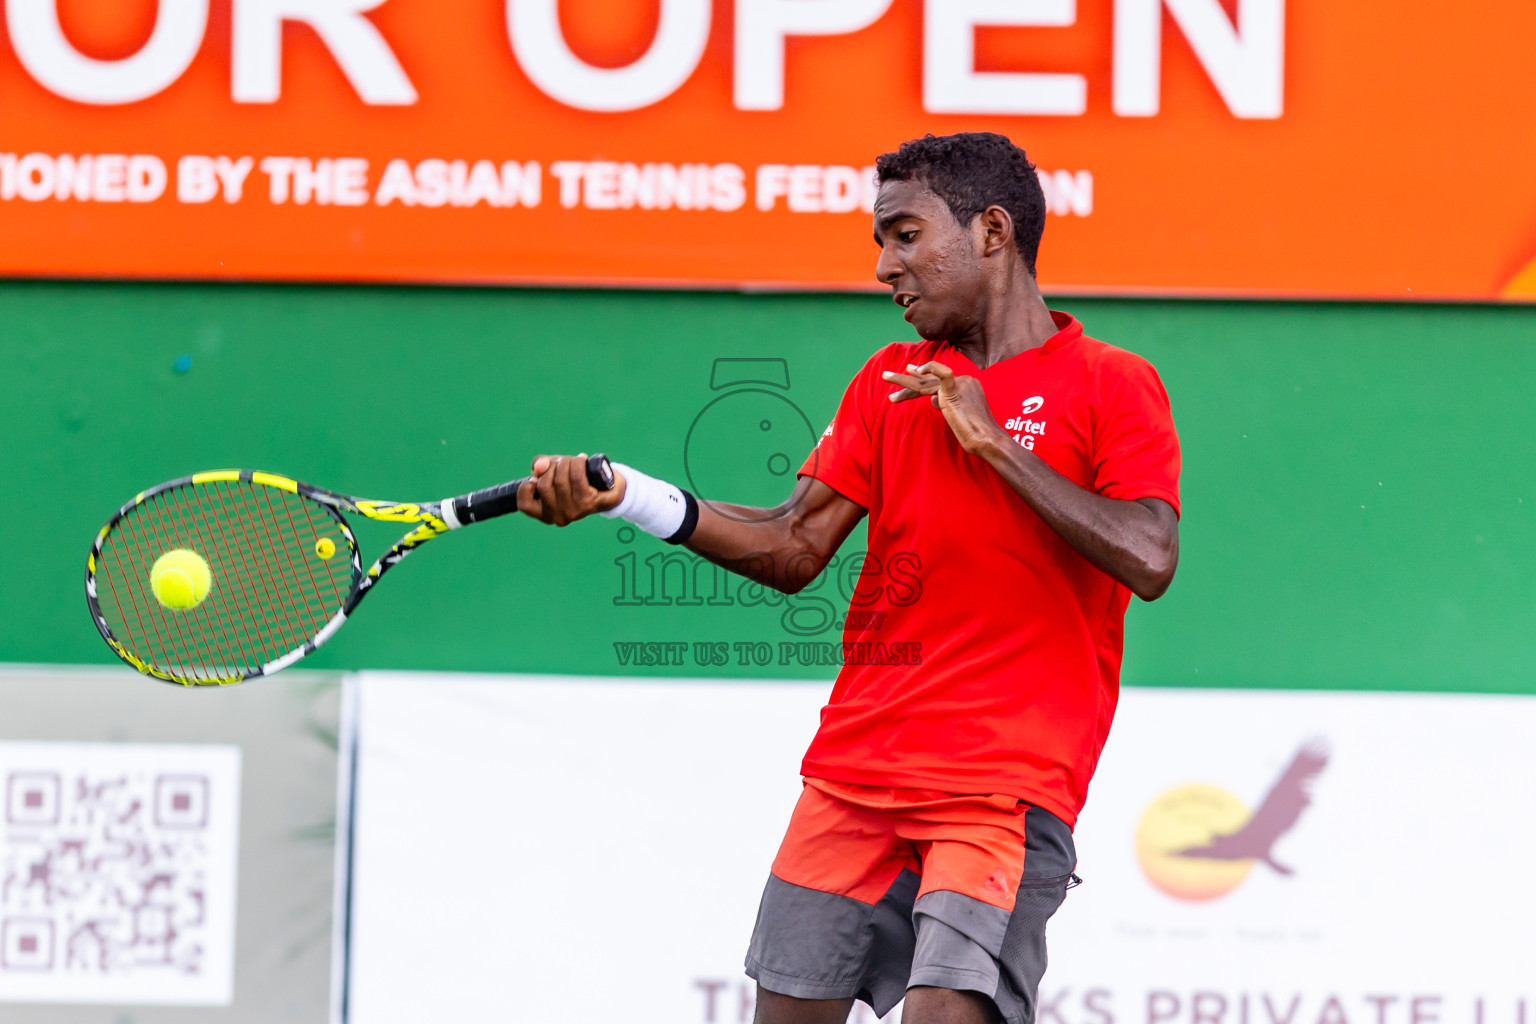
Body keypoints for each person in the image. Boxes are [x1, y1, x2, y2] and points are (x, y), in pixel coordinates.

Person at [516, 131, 1181, 1024]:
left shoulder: (1114, 383)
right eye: (881, 242)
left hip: (1003, 790)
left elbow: (1150, 555)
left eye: (905, 236)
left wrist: (992, 443)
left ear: (992, 232)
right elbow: (793, 544)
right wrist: (628, 496)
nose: (883, 267)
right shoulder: (887, 381)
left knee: (946, 1011)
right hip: (851, 779)